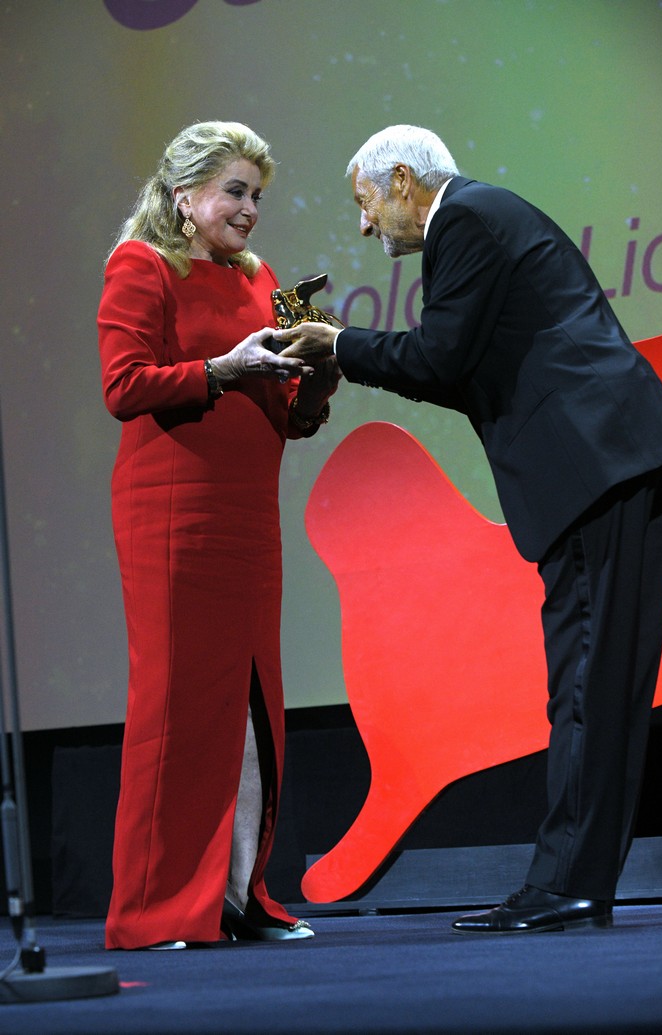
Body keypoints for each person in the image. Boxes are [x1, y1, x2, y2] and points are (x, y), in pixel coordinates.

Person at [275, 124, 662, 934]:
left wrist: (340, 344)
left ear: (402, 180)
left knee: (586, 684)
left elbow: (439, 358)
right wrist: (350, 351)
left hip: (599, 465)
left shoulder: (463, 221)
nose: (363, 225)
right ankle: (577, 882)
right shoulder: (484, 216)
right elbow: (459, 368)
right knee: (598, 685)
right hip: (612, 462)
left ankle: (567, 884)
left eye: (365, 203)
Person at [97, 120, 338, 950]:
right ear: (184, 196)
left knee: (251, 705)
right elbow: (124, 386)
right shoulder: (142, 265)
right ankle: (153, 907)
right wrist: (223, 369)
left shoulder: (260, 278)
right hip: (173, 514)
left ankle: (237, 895)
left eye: (256, 195)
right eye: (235, 191)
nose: (249, 209)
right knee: (178, 706)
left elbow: (291, 415)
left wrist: (318, 380)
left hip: (246, 515)